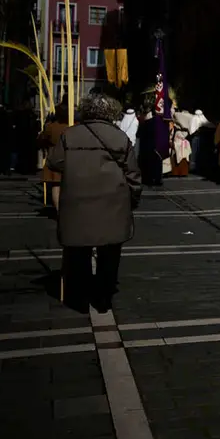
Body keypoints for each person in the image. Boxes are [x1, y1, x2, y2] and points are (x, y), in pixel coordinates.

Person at [46, 94, 142, 313]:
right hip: (113, 204)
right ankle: (103, 298)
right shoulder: (120, 138)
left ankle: (79, 298)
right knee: (110, 255)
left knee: (78, 252)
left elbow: (54, 162)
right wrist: (132, 199)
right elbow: (133, 176)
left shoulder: (70, 135)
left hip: (77, 204)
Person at [37, 102, 70, 208]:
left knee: (56, 185)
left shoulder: (51, 127)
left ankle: (58, 210)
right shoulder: (72, 126)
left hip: (54, 156)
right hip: (69, 156)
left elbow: (42, 139)